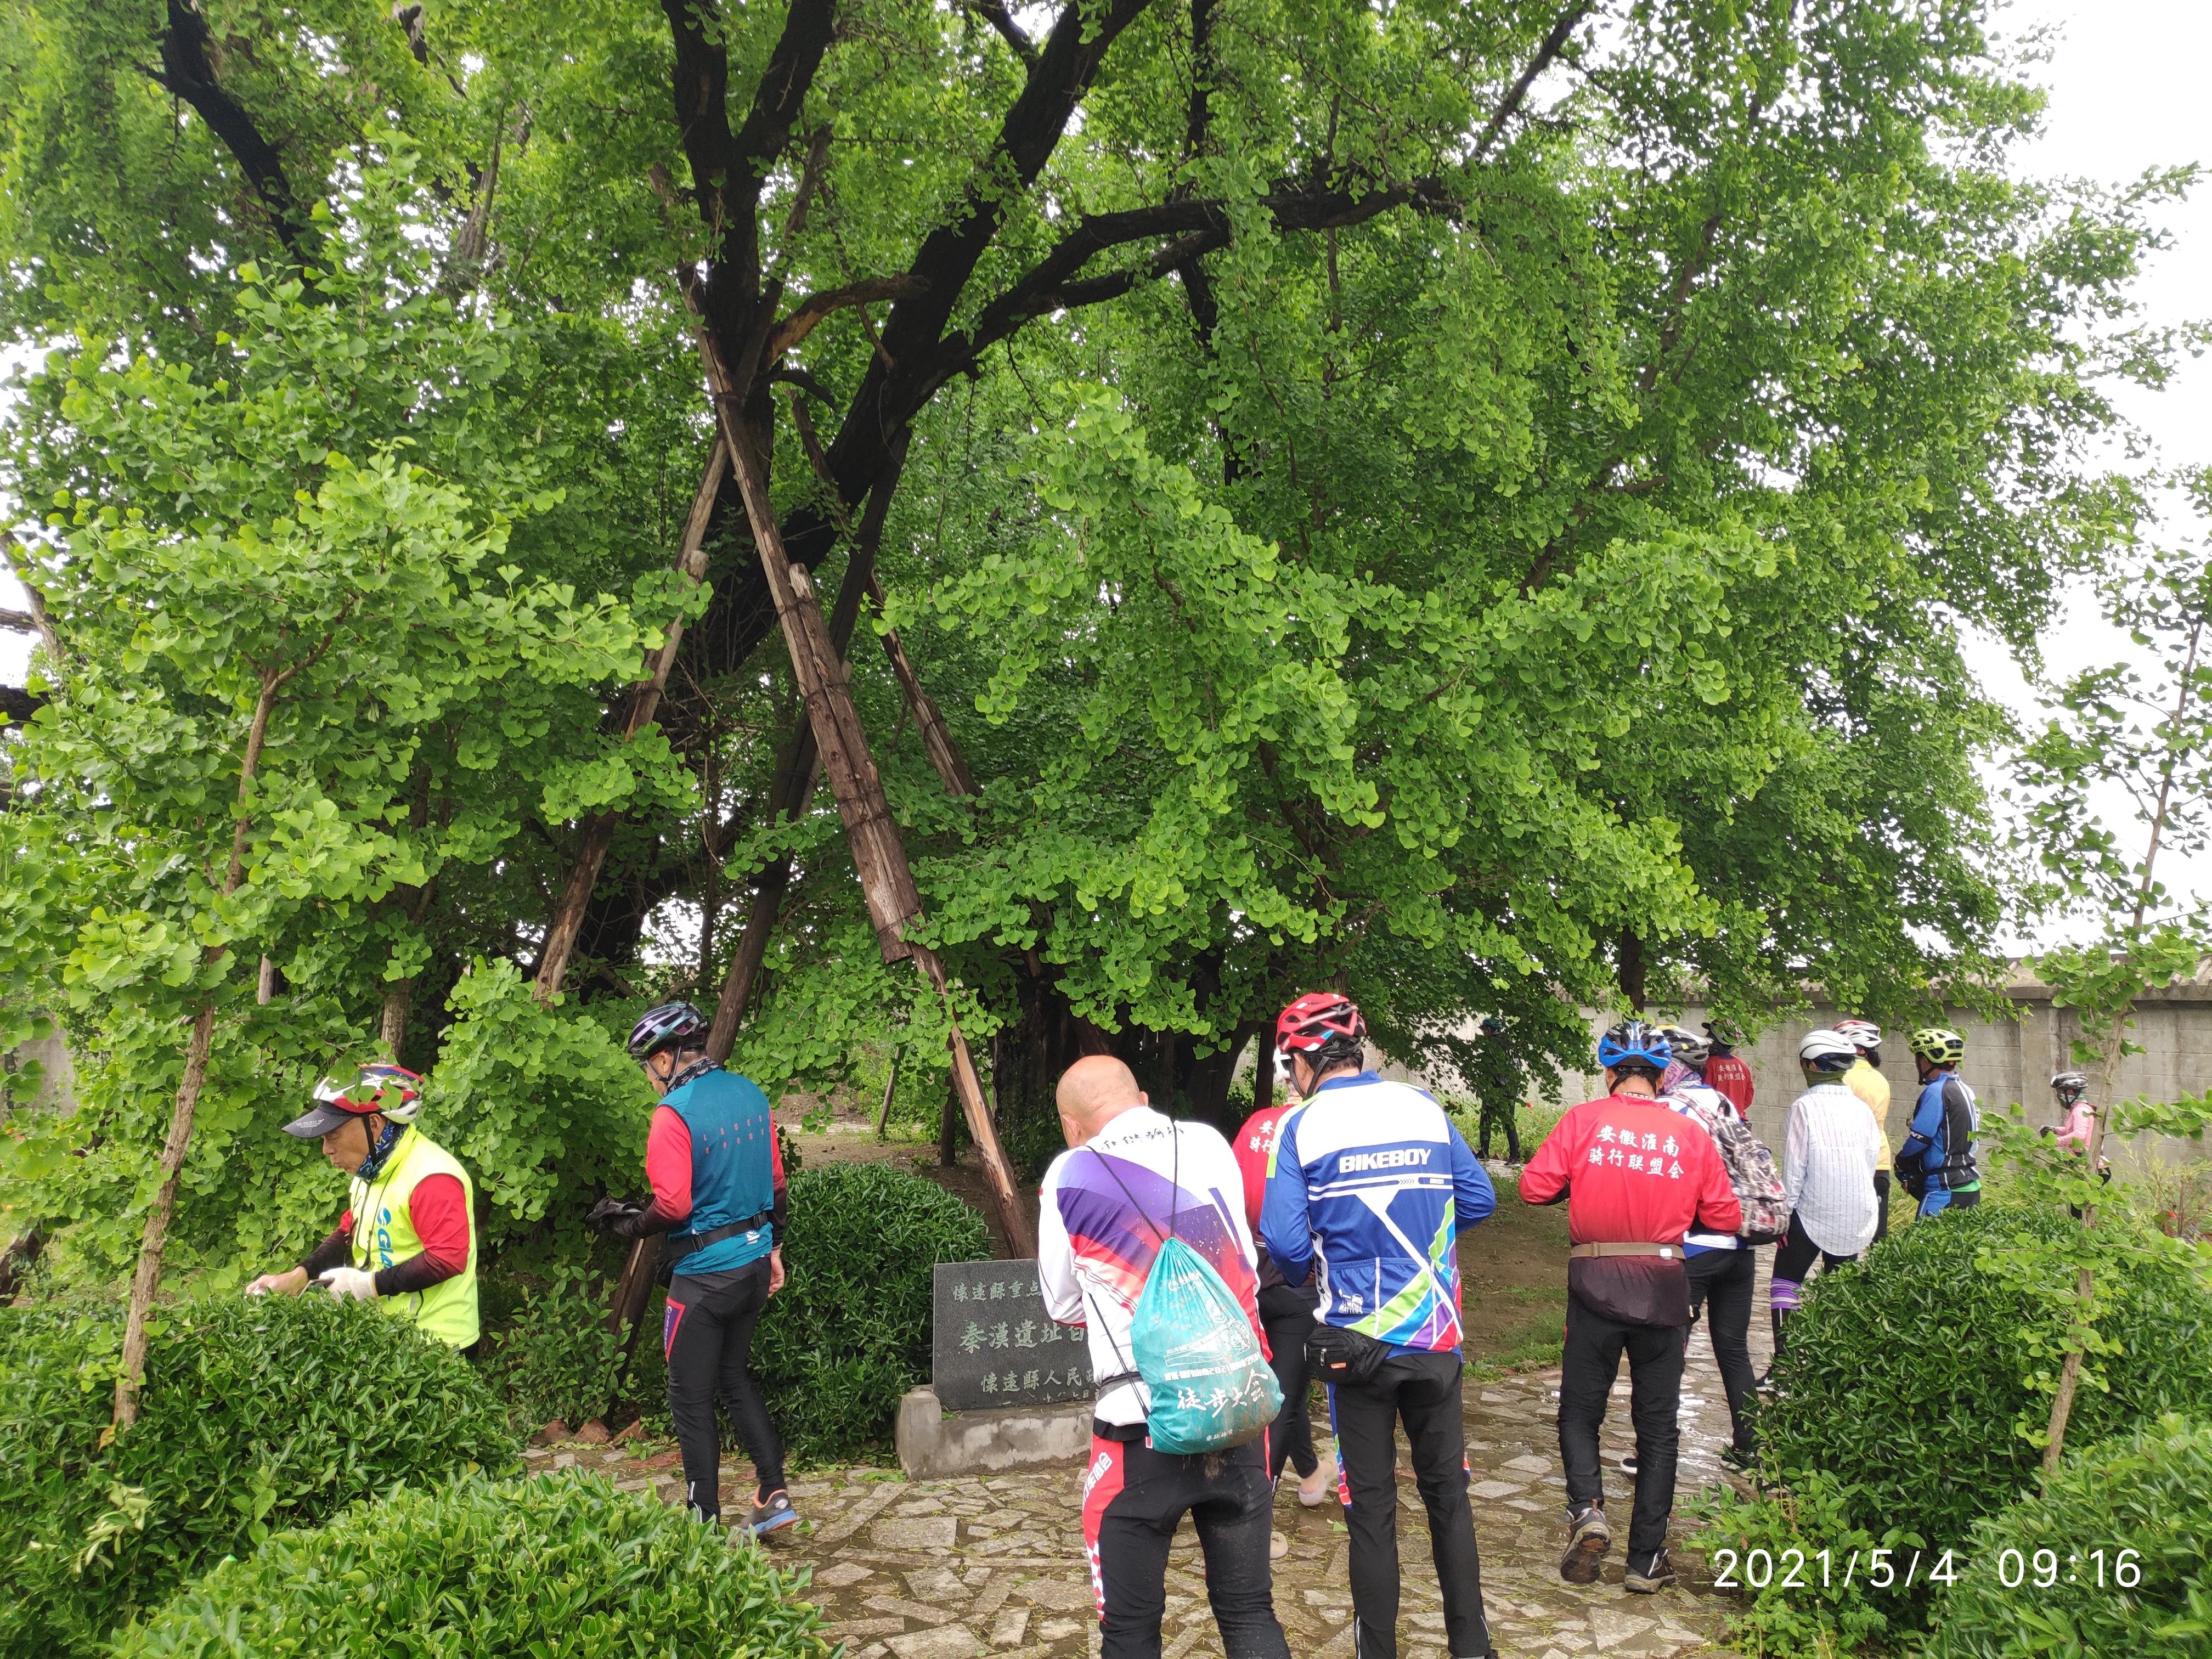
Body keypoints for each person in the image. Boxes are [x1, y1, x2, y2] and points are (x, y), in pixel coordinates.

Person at [1260, 993, 1500, 1659]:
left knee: (1370, 1512)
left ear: (1305, 1062)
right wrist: (1427, 1248)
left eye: (1289, 1068)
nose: (1290, 1080)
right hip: (1435, 1339)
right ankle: (1473, 1648)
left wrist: (1324, 1265)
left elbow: (1282, 1240)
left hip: (1355, 1347)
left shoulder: (1301, 1127)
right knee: (1449, 1499)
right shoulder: (1421, 1107)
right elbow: (1480, 1197)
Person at [1039, 1054, 1290, 1659]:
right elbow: (1247, 1266)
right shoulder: (1207, 1143)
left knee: (1129, 1631)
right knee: (1250, 1610)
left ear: (1073, 1126)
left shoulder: (1071, 1173)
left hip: (1139, 1428)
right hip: (1235, 1410)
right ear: (1143, 1097)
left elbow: (1062, 1301)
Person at [1522, 1022, 1740, 1594]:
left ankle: (1588, 1510)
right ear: (1662, 1074)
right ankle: (1646, 1560)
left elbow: (1532, 1189)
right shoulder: (1689, 1135)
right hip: (1665, 1283)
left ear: (1611, 1072)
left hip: (1594, 1278)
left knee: (1579, 1411)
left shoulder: (1582, 1121)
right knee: (1659, 1427)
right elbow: (1725, 1217)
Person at [588, 1001, 793, 1537]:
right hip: (751, 1264)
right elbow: (776, 1184)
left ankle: (702, 1524)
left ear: (664, 1058)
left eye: (646, 1065)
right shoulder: (750, 1093)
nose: (650, 1079)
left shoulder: (674, 1113)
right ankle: (773, 1493)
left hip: (703, 1278)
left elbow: (674, 1206)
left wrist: (630, 1224)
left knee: (689, 1398)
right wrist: (773, 1250)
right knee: (733, 1378)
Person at [246, 1064, 480, 1351]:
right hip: (389, 1333)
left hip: (440, 1344)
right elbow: (350, 1231)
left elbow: (447, 1259)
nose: (326, 1149)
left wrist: (367, 1286)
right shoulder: (371, 1171)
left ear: (373, 1125)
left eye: (333, 1135)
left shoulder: (431, 1176)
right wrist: (300, 1275)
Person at [1232, 1090, 1332, 1556]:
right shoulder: (1320, 1125)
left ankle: (1310, 1475)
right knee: (1282, 1400)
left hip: (1251, 1275)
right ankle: (1253, 1522)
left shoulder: (1256, 1126)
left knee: (1280, 1385)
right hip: (1300, 1276)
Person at [1654, 1025, 1758, 1468]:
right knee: (1733, 1347)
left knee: (1667, 1351)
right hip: (1740, 1243)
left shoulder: (1668, 1110)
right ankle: (1749, 1446)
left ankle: (1657, 1449)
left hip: (1694, 1246)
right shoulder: (1721, 1101)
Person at [1769, 1030, 1883, 1361]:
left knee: (1785, 1284)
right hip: (1857, 1215)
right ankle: (1833, 1366)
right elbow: (1870, 1159)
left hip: (1811, 1213)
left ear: (1810, 1066)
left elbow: (1794, 1170)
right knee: (1839, 1292)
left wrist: (1784, 1217)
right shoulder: (1861, 1109)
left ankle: (1785, 1367)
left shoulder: (1803, 1107)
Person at [1897, 1027, 1980, 1218]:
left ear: (1925, 1060)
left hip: (1943, 1190)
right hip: (1969, 1185)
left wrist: (1901, 1163)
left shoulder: (1936, 1092)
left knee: (1922, 1246)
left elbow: (1920, 1140)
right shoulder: (1966, 1090)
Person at [1832, 1019, 1894, 1245]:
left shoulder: (1842, 1078)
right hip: (1881, 1161)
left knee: (1844, 1241)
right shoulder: (1880, 1079)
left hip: (1851, 1164)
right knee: (1878, 1239)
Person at [1701, 1019, 1754, 1120]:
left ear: (1714, 1039)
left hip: (1716, 1124)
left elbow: (1703, 1096)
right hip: (1738, 1125)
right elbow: (1748, 1098)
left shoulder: (1709, 1065)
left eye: (1709, 1034)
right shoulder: (1742, 1065)